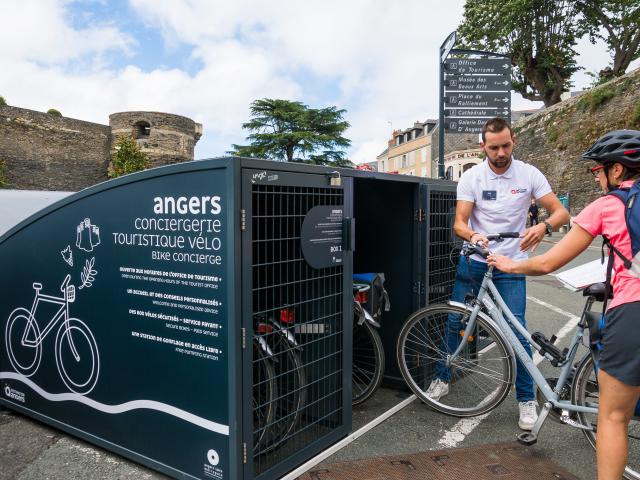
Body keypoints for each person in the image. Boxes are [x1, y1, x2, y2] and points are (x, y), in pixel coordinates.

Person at [488, 130, 640, 480]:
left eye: (597, 171)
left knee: (614, 417)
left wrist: (510, 264)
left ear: (617, 171)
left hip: (632, 314)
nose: (598, 177)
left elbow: (547, 263)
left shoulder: (607, 205)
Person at [426, 118, 570, 431]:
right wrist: (473, 236)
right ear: (483, 147)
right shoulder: (472, 177)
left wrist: (544, 225)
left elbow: (561, 213)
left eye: (506, 145)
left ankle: (526, 398)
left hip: (511, 264)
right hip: (474, 260)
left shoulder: (529, 173)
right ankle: (442, 377)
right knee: (455, 321)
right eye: (494, 147)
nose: (501, 152)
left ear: (513, 140)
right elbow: (459, 224)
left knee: (518, 332)